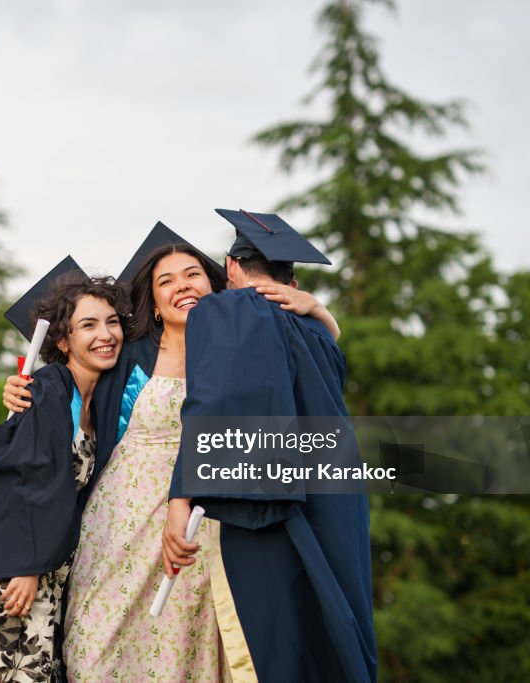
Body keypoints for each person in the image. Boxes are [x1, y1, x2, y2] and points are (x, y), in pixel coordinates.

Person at [3, 223, 340, 681]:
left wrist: (318, 310)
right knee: (94, 648)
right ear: (155, 303)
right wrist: (23, 388)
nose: (181, 285)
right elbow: (71, 373)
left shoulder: (241, 346)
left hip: (197, 527)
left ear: (215, 284)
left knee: (183, 655)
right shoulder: (130, 353)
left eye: (192, 274)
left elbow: (311, 368)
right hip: (118, 525)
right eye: (166, 281)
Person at [162, 209, 378, 683]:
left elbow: (215, 405)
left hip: (274, 500)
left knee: (276, 638)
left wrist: (181, 497)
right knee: (333, 621)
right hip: (337, 494)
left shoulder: (226, 311)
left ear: (230, 266)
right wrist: (318, 307)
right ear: (292, 280)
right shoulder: (316, 328)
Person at [0, 273, 129, 683]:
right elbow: (24, 482)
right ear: (63, 341)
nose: (105, 334)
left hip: (41, 572)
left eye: (112, 321)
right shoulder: (49, 389)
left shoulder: (95, 404)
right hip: (15, 575)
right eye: (88, 325)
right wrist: (27, 565)